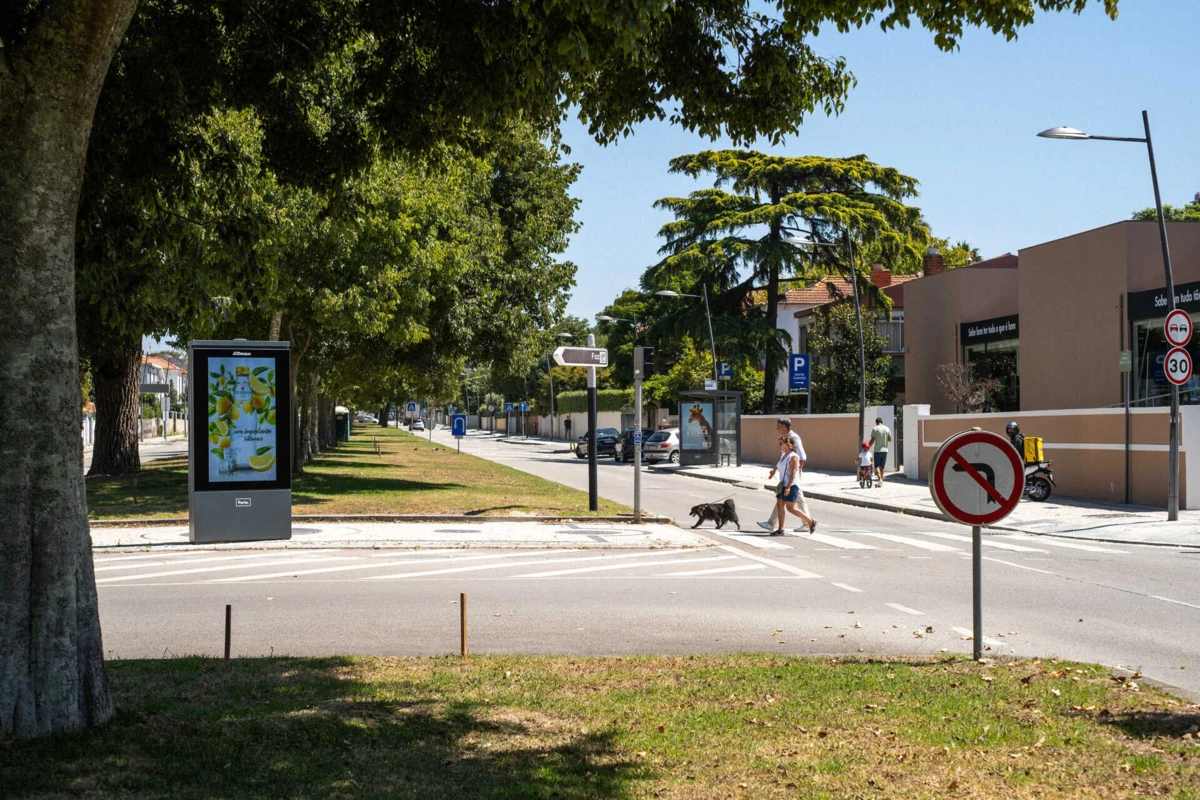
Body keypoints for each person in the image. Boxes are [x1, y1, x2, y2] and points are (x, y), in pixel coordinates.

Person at [756, 417, 810, 531]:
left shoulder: (793, 437)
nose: (777, 428)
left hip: (792, 476)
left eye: (778, 426)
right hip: (787, 476)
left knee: (785, 500)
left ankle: (773, 523)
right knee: (792, 500)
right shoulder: (785, 438)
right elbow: (783, 457)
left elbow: (802, 457)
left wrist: (795, 472)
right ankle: (807, 523)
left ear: (784, 427)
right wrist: (775, 468)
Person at [773, 436, 815, 535]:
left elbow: (793, 473)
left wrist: (788, 487)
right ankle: (781, 528)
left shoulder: (793, 456)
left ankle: (810, 522)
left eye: (781, 443)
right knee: (780, 505)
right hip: (783, 484)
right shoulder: (783, 455)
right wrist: (773, 470)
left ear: (788, 444)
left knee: (790, 508)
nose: (780, 445)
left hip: (791, 485)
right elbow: (779, 464)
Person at [870, 416, 892, 486]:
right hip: (885, 450)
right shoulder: (887, 428)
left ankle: (880, 479)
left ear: (876, 422)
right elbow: (890, 439)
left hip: (877, 450)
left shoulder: (875, 429)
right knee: (882, 467)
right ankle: (881, 482)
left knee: (877, 466)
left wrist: (867, 447)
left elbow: (872, 440)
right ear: (882, 422)